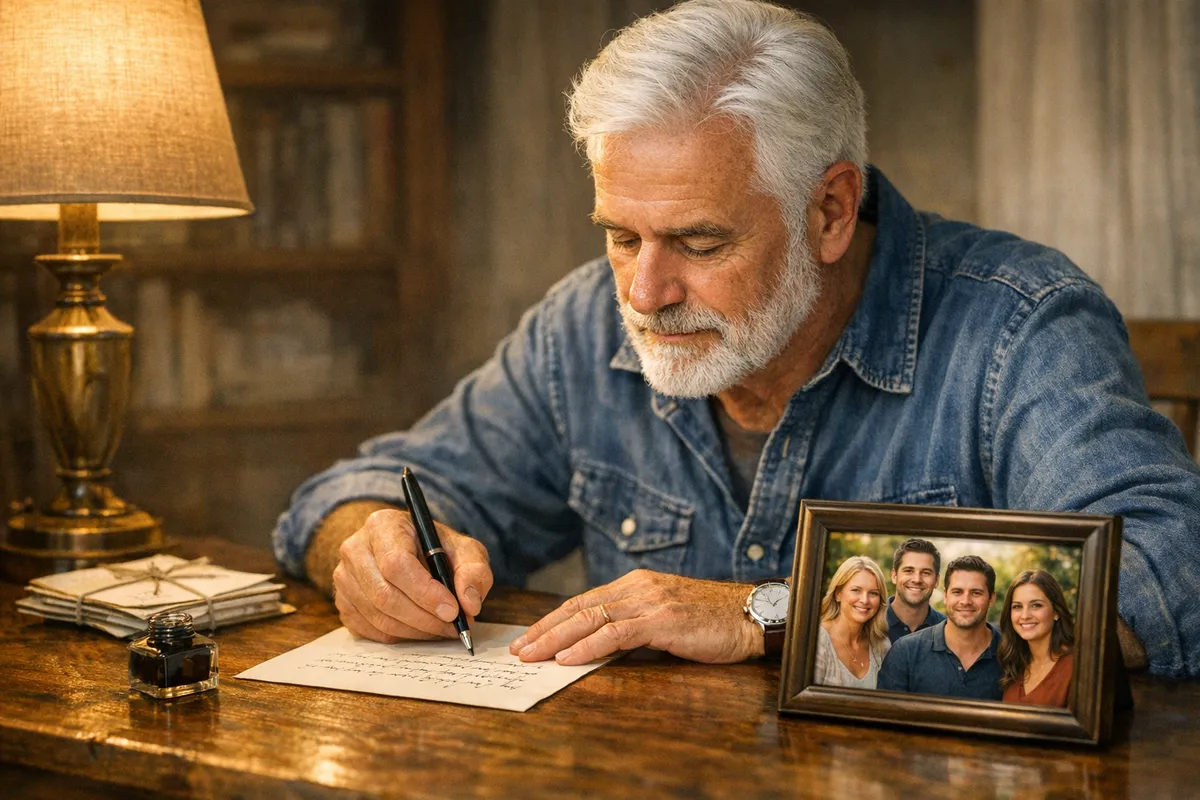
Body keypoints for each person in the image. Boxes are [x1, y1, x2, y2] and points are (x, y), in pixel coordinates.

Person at [272, 0, 1200, 676]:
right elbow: (349, 495)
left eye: (699, 241)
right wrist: (371, 546)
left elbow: (1168, 572)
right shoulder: (583, 324)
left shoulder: (1019, 324)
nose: (644, 291)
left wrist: (772, 613)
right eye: (619, 233)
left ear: (831, 210)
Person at [876, 556, 1003, 700]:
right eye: (957, 592)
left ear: (991, 599)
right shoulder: (905, 652)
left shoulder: (1010, 654)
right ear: (945, 596)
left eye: (976, 593)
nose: (965, 601)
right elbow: (884, 717)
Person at [999, 570, 1075, 708]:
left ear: (1056, 612)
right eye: (1017, 607)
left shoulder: (1075, 667)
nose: (1025, 615)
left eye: (1036, 605)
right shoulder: (1014, 664)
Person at [814, 556, 891, 688]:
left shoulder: (881, 646)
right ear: (838, 593)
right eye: (856, 590)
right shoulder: (816, 641)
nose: (865, 600)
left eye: (873, 593)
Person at [886, 538, 945, 643]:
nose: (917, 580)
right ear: (894, 576)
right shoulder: (871, 622)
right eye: (909, 571)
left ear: (936, 580)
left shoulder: (947, 629)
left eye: (926, 572)